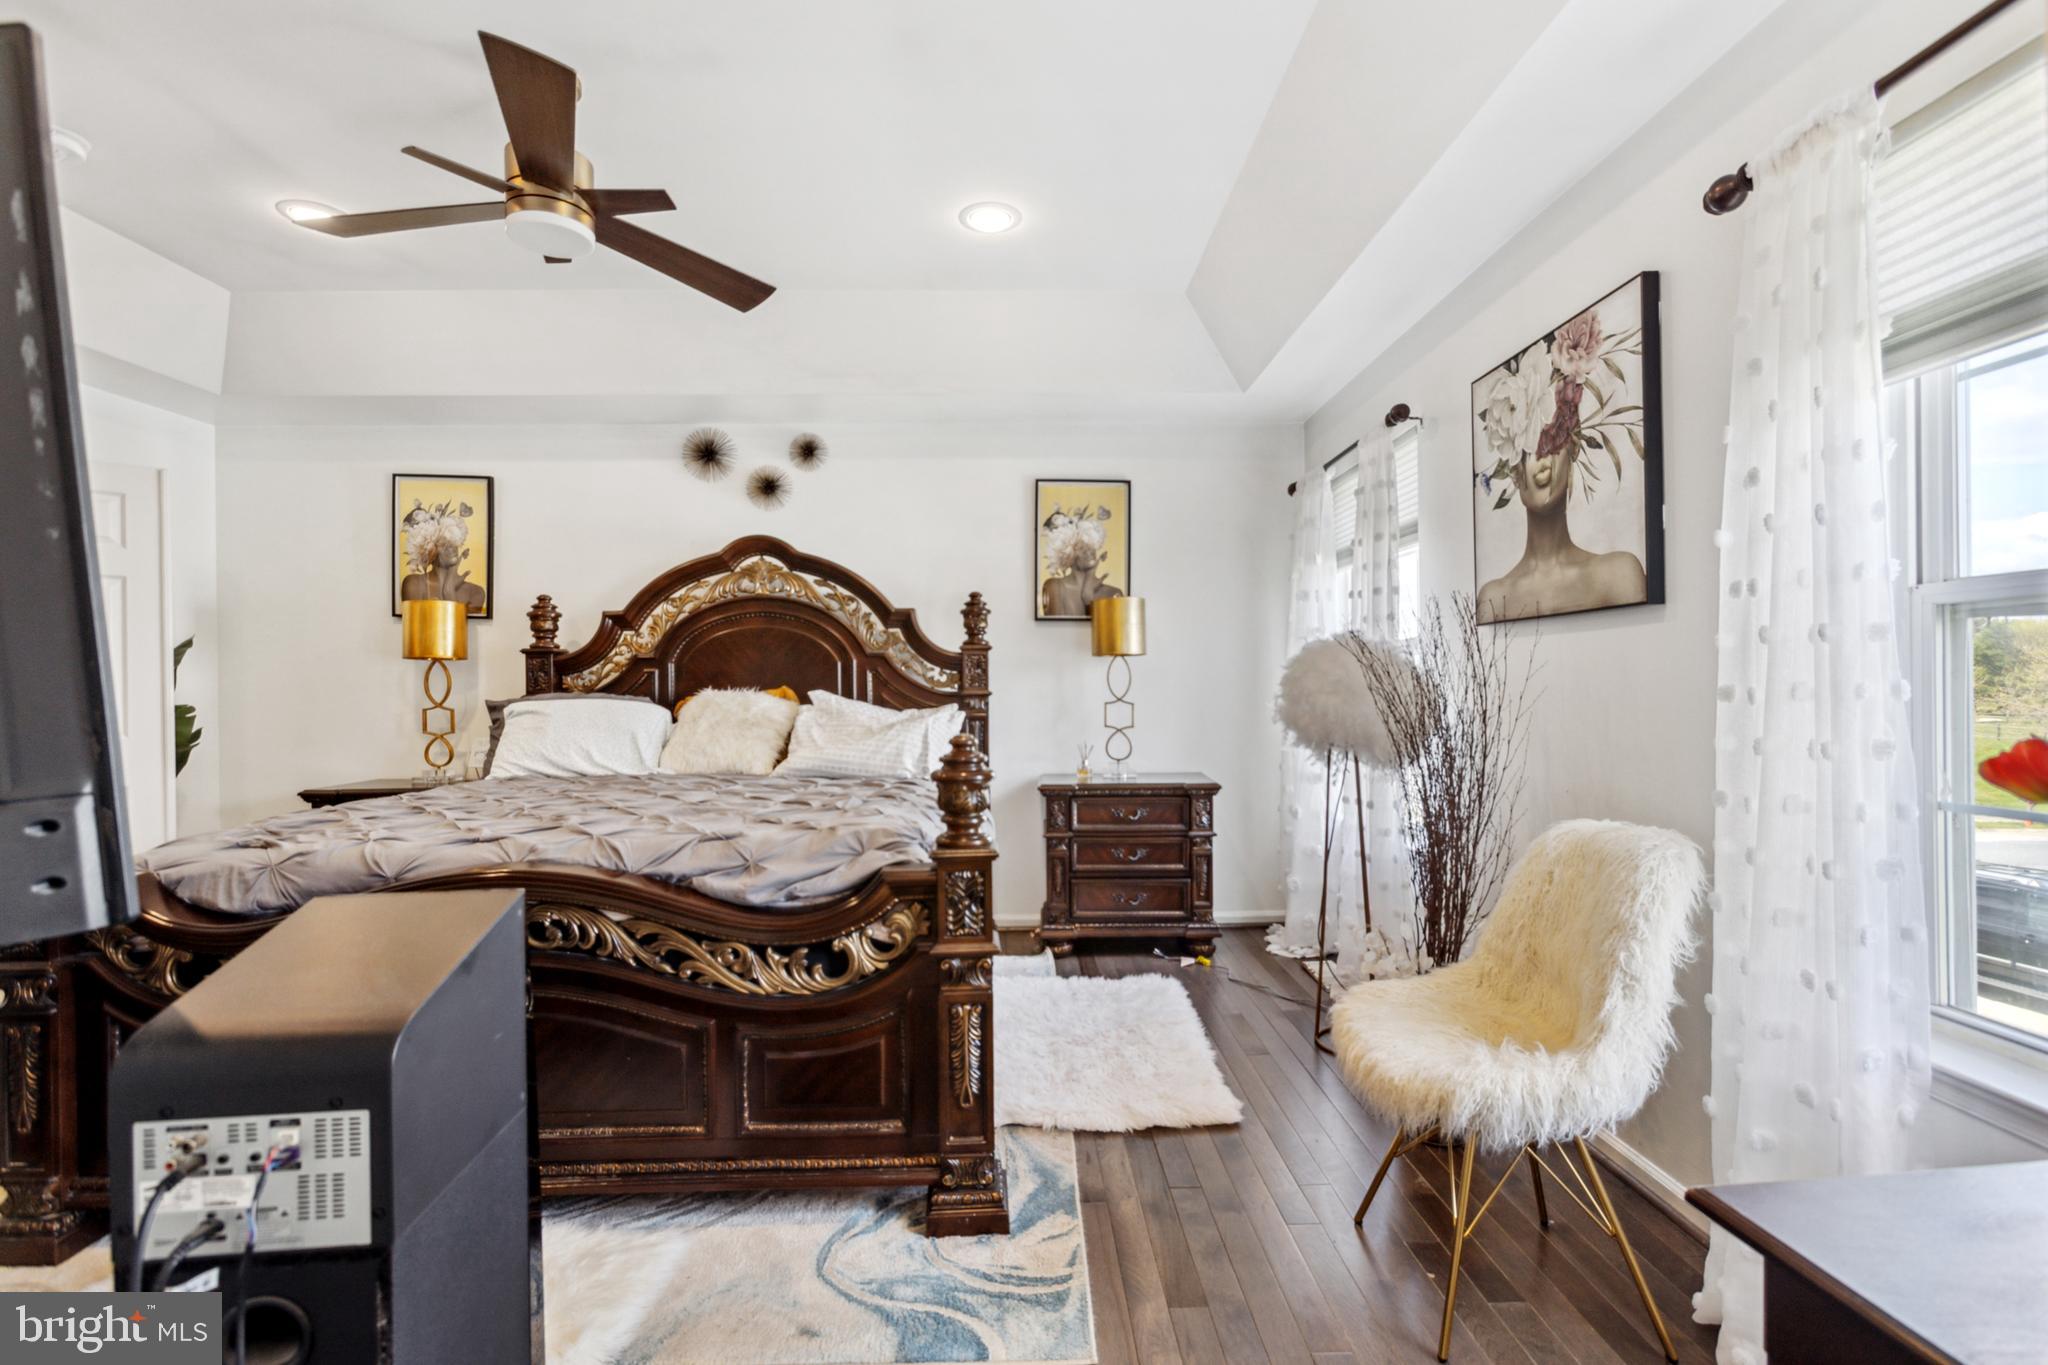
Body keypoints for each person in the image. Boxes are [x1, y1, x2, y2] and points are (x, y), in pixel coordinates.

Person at [1040, 505, 1124, 618]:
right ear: (1067, 553)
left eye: (1091, 544)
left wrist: (1088, 599)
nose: (1088, 550)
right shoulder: (1054, 587)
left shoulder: (1113, 594)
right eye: (1080, 546)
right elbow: (1057, 632)